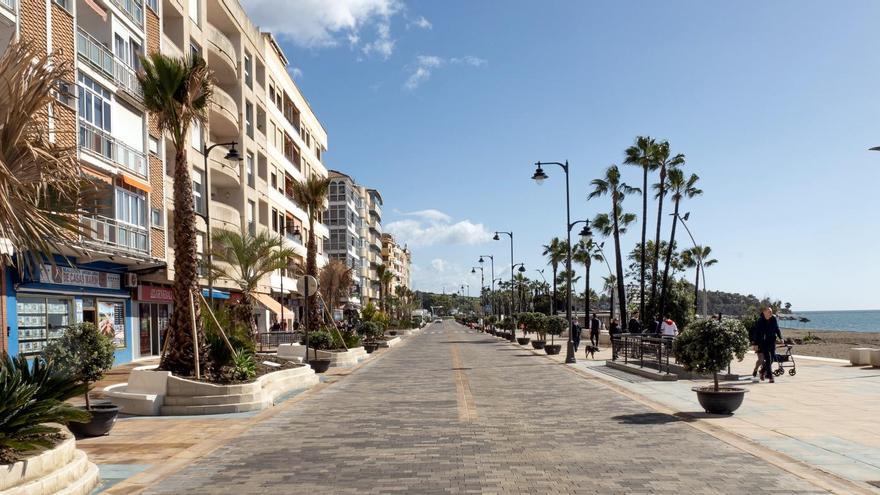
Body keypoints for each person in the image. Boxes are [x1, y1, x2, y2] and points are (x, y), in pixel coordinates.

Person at [754, 306, 783, 383]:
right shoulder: (760, 321)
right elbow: (756, 333)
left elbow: (777, 329)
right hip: (763, 342)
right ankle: (770, 377)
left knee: (772, 359)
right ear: (764, 312)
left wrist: (781, 338)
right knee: (768, 359)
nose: (771, 313)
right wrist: (755, 344)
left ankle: (762, 371)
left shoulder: (773, 319)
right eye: (769, 311)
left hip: (772, 341)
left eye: (771, 311)